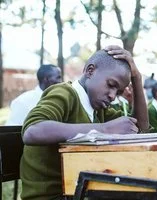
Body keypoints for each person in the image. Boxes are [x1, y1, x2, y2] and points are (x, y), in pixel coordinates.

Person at [20, 46, 149, 200]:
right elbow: (32, 131)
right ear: (90, 71)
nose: (113, 96)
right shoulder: (64, 93)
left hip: (79, 191)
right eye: (111, 85)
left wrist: (137, 78)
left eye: (118, 91)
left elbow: (140, 127)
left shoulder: (98, 108)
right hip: (53, 196)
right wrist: (105, 129)